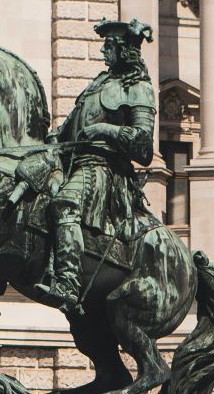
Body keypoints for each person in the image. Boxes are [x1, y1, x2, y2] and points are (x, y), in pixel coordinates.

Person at [31, 17, 157, 315]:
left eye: (109, 46)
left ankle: (68, 283)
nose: (103, 51)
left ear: (123, 50)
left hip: (103, 169)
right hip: (72, 162)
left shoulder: (138, 88)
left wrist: (105, 130)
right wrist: (53, 139)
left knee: (64, 204)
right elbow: (72, 126)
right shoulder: (98, 84)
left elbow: (144, 147)